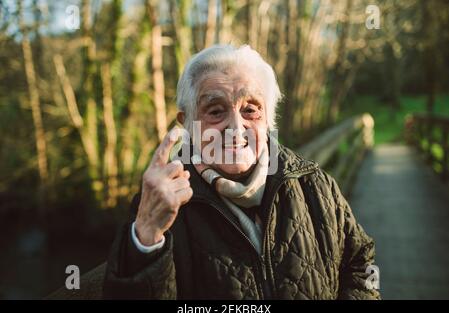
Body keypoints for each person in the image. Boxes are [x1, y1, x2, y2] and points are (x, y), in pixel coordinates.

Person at [102, 44, 380, 300]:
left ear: (269, 119)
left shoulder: (314, 183)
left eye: (250, 110)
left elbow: (360, 263)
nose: (236, 128)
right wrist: (147, 236)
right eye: (215, 111)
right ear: (187, 123)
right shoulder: (160, 204)